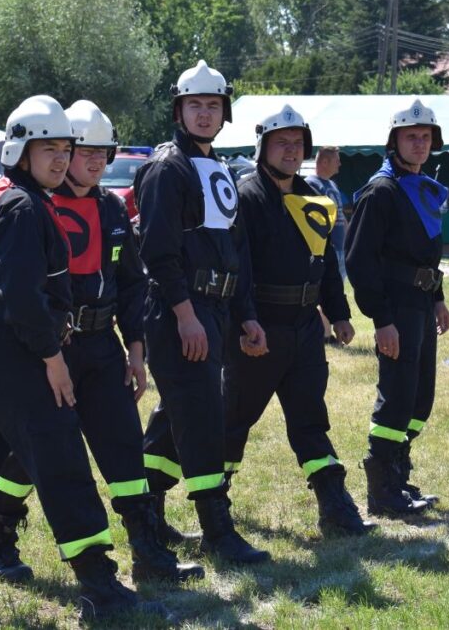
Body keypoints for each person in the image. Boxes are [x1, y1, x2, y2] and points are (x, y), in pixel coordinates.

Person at [0, 95, 165, 621]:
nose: (60, 158)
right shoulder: (23, 206)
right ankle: (100, 587)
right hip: (15, 352)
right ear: (20, 151)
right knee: (62, 464)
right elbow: (24, 297)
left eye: (64, 148)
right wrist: (53, 358)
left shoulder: (9, 198)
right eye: (47, 149)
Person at [0, 100, 202, 585]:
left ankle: (147, 550)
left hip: (103, 347)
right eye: (86, 151)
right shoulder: (36, 205)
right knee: (30, 454)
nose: (95, 160)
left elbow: (130, 284)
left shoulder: (111, 206)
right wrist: (48, 354)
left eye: (104, 152)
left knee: (123, 445)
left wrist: (136, 349)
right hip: (50, 350)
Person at [136, 60, 269, 564]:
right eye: (195, 105)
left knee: (177, 417)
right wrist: (185, 315)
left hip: (215, 309)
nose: (205, 114)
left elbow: (238, 252)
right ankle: (218, 531)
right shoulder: (166, 168)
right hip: (180, 312)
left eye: (213, 105)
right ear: (179, 109)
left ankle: (148, 515)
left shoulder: (222, 169)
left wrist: (247, 314)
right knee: (204, 418)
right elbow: (158, 253)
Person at [226, 105, 372, 537]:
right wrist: (246, 322)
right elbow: (238, 269)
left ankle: (335, 505)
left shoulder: (314, 197)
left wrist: (339, 313)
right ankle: (215, 506)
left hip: (306, 329)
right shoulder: (244, 197)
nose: (291, 151)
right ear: (263, 148)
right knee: (233, 420)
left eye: (297, 144)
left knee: (310, 418)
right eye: (281, 143)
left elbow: (326, 261)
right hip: (260, 330)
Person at [346, 98, 449, 519]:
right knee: (396, 397)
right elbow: (358, 260)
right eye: (411, 136)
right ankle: (382, 487)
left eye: (426, 137)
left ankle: (399, 472)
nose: (419, 144)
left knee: (419, 398)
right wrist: (382, 319)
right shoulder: (381, 191)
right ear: (395, 141)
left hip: (422, 304)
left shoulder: (421, 187)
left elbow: (428, 253)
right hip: (396, 307)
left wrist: (438, 297)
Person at [305, 146, 347, 279]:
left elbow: (340, 215)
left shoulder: (332, 184)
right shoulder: (310, 184)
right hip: (325, 250)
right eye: (336, 160)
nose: (340, 164)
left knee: (338, 291)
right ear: (324, 162)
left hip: (340, 248)